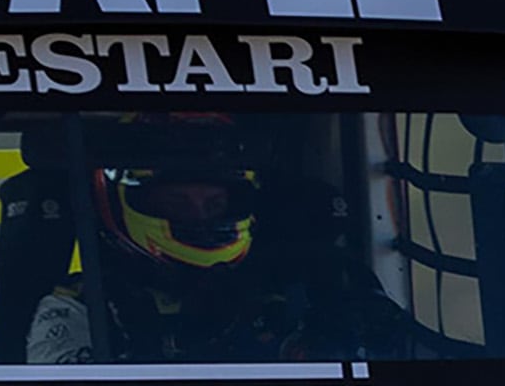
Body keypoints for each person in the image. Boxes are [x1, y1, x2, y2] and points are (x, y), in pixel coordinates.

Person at [23, 114, 399, 365]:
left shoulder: (304, 285)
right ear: (122, 202)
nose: (200, 216)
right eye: (178, 203)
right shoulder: (82, 304)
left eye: (215, 204)